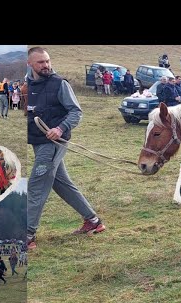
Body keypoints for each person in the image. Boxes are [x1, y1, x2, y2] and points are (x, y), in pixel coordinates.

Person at [26, 47, 106, 250]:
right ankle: (93, 221)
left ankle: (26, 234)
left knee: (36, 185)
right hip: (38, 142)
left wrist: (60, 129)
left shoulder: (59, 84)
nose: (45, 65)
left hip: (53, 143)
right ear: (29, 64)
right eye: (40, 62)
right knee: (60, 182)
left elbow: (76, 112)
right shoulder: (29, 85)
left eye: (47, 61)